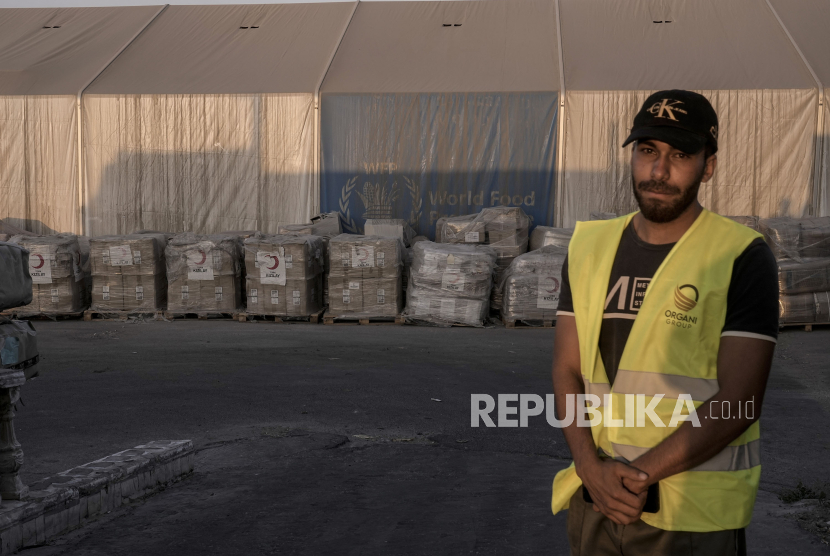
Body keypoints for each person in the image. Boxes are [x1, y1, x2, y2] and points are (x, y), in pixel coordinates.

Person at [550, 90, 779, 555]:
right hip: (596, 502)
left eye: (680, 155)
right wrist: (590, 469)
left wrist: (635, 478)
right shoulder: (589, 246)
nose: (659, 171)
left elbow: (740, 400)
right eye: (647, 151)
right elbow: (567, 369)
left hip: (689, 516)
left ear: (708, 166)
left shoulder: (740, 256)